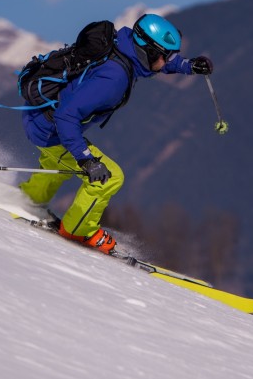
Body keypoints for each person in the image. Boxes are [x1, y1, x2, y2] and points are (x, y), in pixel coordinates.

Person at [18, 13, 213, 254]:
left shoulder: (124, 45)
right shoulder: (114, 78)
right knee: (109, 178)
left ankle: (28, 199)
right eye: (166, 56)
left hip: (39, 114)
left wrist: (187, 66)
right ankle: (77, 229)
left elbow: (157, 62)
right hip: (50, 128)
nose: (167, 61)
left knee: (58, 164)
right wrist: (86, 158)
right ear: (150, 52)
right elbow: (66, 116)